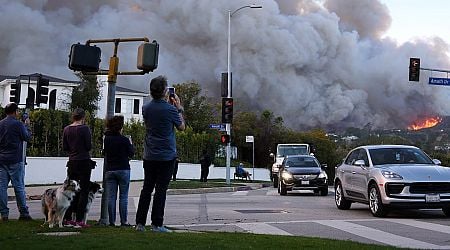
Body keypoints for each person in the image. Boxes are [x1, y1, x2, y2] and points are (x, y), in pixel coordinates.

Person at [135, 75, 185, 233]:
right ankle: (157, 224)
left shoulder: (146, 108)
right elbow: (182, 127)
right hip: (166, 156)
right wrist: (179, 108)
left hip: (149, 155)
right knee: (160, 190)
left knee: (146, 189)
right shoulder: (171, 110)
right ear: (165, 91)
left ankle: (140, 223)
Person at [0, 103, 32, 222]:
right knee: (18, 187)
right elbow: (27, 137)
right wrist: (27, 125)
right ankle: (23, 213)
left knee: (2, 187)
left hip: (2, 160)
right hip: (15, 160)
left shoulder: (1, 124)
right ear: (15, 111)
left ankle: (4, 214)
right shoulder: (18, 124)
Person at [62, 108, 93, 228]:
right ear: (83, 117)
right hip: (84, 161)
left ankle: (68, 217)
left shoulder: (66, 129)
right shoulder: (85, 129)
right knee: (84, 191)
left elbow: (65, 147)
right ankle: (79, 219)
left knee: (71, 189)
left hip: (72, 161)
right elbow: (88, 146)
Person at [104, 115, 135, 227]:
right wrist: (130, 143)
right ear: (120, 127)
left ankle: (111, 221)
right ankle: (124, 221)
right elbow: (131, 153)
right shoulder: (125, 140)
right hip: (123, 169)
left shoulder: (107, 139)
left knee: (111, 197)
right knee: (123, 197)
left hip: (110, 170)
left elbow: (105, 152)